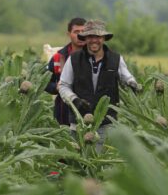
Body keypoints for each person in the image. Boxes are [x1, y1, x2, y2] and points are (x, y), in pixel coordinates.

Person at [58, 19, 140, 148]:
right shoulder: (74, 59)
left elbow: (128, 79)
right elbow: (63, 85)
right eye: (90, 36)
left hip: (106, 124)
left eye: (98, 36)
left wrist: (132, 85)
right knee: (79, 163)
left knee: (101, 163)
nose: (94, 40)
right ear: (85, 38)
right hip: (79, 122)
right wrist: (75, 100)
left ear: (104, 38)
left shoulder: (116, 59)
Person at [45, 17, 87, 126]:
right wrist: (56, 87)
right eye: (76, 32)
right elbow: (44, 82)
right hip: (63, 113)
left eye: (84, 32)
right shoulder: (57, 58)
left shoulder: (97, 57)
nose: (80, 35)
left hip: (89, 111)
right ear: (69, 34)